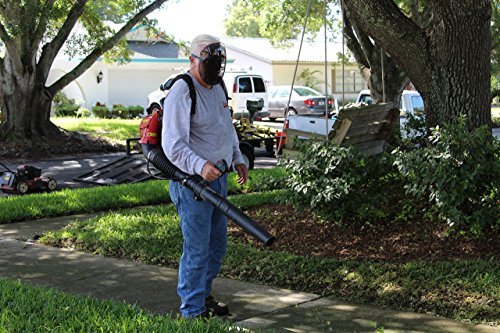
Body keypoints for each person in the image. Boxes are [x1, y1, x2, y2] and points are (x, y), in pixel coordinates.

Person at [162, 34, 248, 318]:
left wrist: (238, 158)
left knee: (216, 248)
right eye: (208, 62)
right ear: (193, 60)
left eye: (217, 62)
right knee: (197, 250)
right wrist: (200, 166)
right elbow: (172, 144)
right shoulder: (182, 90)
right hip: (193, 185)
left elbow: (226, 128)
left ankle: (202, 297)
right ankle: (192, 311)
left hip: (219, 180)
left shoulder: (219, 86)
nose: (214, 68)